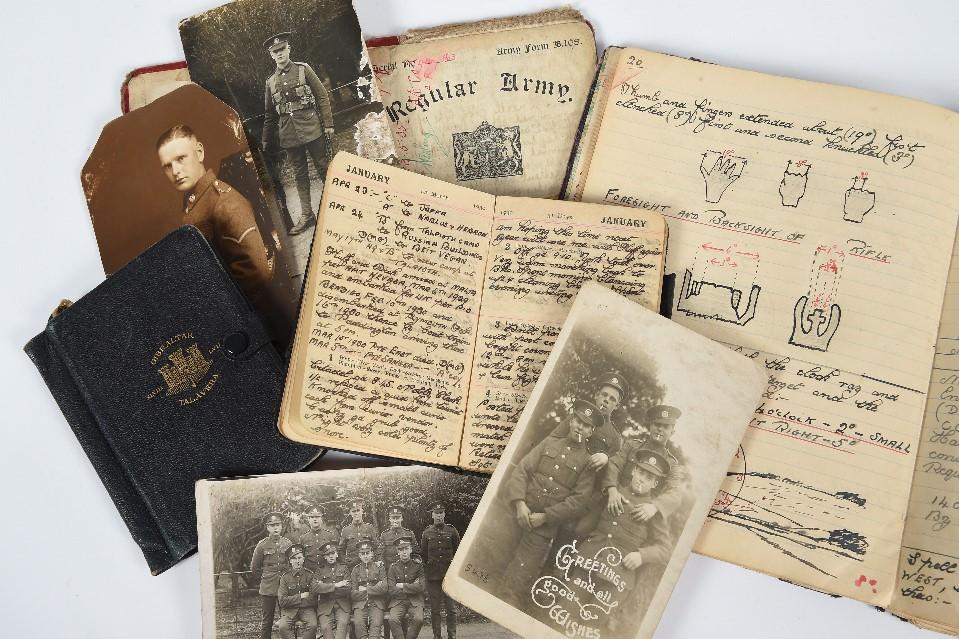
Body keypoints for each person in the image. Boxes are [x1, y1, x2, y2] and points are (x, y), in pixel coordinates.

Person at [501, 399, 602, 608]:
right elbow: (522, 470)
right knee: (494, 556)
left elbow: (578, 501)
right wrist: (519, 503)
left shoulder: (588, 462)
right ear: (572, 421)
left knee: (516, 581)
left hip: (545, 526)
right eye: (578, 421)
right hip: (518, 512)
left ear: (591, 431)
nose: (580, 427)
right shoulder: (550, 443)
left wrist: (546, 517)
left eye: (586, 425)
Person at [156, 124, 273, 305]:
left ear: (200, 152)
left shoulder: (225, 204)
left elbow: (257, 272)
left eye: (181, 158)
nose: (176, 171)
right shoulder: (195, 201)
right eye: (167, 166)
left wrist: (209, 302)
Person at [575, 449, 672, 632]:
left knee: (587, 628)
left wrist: (642, 556)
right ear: (634, 470)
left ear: (655, 483)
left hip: (617, 577)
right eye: (641, 472)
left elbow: (665, 549)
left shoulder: (652, 512)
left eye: (649, 477)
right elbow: (584, 526)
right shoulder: (614, 492)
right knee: (565, 612)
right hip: (588, 562)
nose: (642, 479)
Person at [261, 31, 335, 236]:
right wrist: (266, 140)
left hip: (312, 129)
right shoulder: (270, 82)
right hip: (289, 135)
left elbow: (321, 96)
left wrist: (328, 124)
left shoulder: (304, 69)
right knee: (299, 175)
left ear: (288, 49)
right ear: (271, 55)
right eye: (275, 52)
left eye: (282, 49)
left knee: (323, 167)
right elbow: (269, 114)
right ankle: (307, 215)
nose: (280, 54)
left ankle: (339, 204)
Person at [601, 405, 690, 528]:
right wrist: (612, 490)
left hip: (640, 514)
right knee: (583, 527)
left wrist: (654, 506)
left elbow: (675, 493)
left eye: (665, 427)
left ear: (672, 432)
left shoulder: (672, 464)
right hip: (614, 501)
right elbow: (614, 464)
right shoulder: (632, 446)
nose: (660, 429)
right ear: (650, 426)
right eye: (657, 424)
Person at [250, 512, 294, 639]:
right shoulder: (262, 545)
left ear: (281, 526)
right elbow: (254, 567)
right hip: (268, 588)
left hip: (285, 588)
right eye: (272, 525)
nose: (275, 528)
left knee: (286, 620)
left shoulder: (287, 543)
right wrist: (265, 578)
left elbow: (292, 564)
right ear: (267, 527)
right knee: (267, 621)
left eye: (278, 525)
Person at [379, 506, 420, 639]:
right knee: (390, 610)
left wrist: (415, 568)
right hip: (390, 576)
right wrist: (384, 577)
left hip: (407, 576)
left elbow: (417, 553)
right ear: (389, 519)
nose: (395, 520)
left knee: (404, 612)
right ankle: (387, 636)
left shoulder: (409, 534)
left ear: (401, 518)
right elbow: (380, 556)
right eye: (393, 518)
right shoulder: (384, 535)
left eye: (397, 517)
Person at [420, 502, 459, 639]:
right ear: (432, 515)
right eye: (436, 513)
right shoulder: (426, 533)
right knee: (435, 609)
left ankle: (452, 635)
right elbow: (424, 555)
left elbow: (458, 552)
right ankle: (437, 636)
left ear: (444, 514)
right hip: (433, 577)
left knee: (451, 609)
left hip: (448, 576)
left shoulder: (452, 531)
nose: (438, 516)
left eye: (441, 513)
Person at [277, 544, 318, 639]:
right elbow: (282, 601)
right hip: (289, 611)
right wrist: (301, 596)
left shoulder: (310, 575)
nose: (297, 561)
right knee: (283, 627)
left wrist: (292, 600)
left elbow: (313, 599)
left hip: (307, 609)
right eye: (294, 558)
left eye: (299, 558)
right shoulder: (284, 578)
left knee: (312, 625)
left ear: (303, 559)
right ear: (290, 561)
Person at [312, 541, 352, 639]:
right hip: (325, 606)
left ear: (337, 554)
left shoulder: (344, 568)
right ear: (324, 557)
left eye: (333, 553)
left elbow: (348, 588)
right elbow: (315, 588)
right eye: (328, 554)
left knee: (342, 625)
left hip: (342, 605)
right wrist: (336, 585)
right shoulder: (319, 570)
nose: (331, 556)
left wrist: (325, 588)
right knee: (325, 627)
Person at [387, 537, 425, 639]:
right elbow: (391, 589)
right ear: (397, 551)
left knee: (418, 619)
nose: (404, 552)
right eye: (401, 549)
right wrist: (412, 587)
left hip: (415, 601)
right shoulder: (393, 567)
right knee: (393, 619)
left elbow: (421, 587)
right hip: (398, 601)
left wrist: (402, 585)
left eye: (406, 548)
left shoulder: (418, 566)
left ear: (411, 549)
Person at [350, 540, 388, 639]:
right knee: (358, 625)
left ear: (372, 554)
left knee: (375, 627)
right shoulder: (355, 570)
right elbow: (353, 593)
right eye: (363, 554)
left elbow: (384, 588)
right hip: (360, 605)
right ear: (359, 555)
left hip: (377, 604)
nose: (365, 556)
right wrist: (376, 588)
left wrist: (365, 589)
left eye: (368, 553)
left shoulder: (380, 568)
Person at [297, 504, 340, 573]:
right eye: (312, 517)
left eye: (317, 517)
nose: (315, 519)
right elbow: (300, 558)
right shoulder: (303, 538)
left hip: (326, 572)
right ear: (308, 519)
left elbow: (336, 555)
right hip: (309, 572)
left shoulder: (330, 536)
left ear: (321, 519)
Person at [340, 499, 377, 573]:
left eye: (358, 510)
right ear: (350, 513)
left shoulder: (369, 528)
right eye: (354, 511)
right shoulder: (345, 530)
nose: (356, 513)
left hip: (368, 566)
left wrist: (373, 560)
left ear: (362, 511)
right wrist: (346, 562)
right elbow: (340, 550)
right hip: (352, 567)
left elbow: (376, 546)